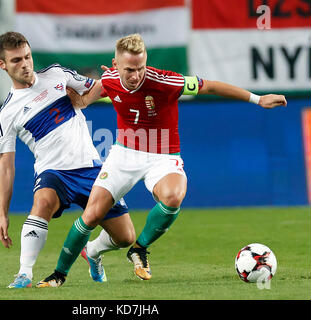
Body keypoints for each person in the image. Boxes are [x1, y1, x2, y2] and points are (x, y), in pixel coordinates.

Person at [37, 33, 287, 287]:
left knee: (173, 196)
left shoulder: (167, 81)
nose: (136, 76)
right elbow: (83, 100)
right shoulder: (110, 80)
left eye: (140, 68)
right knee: (91, 216)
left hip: (163, 155)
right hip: (123, 154)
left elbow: (209, 86)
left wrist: (257, 99)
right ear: (115, 65)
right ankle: (60, 274)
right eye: (129, 70)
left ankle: (139, 249)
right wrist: (62, 94)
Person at [0, 31, 136, 288]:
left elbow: (98, 89)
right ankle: (24, 273)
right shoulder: (7, 113)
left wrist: (114, 78)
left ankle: (92, 251)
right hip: (54, 172)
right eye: (16, 60)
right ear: (2, 64)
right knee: (43, 200)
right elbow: (5, 165)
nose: (25, 63)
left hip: (91, 167)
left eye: (27, 57)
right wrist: (3, 214)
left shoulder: (58, 75)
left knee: (126, 237)